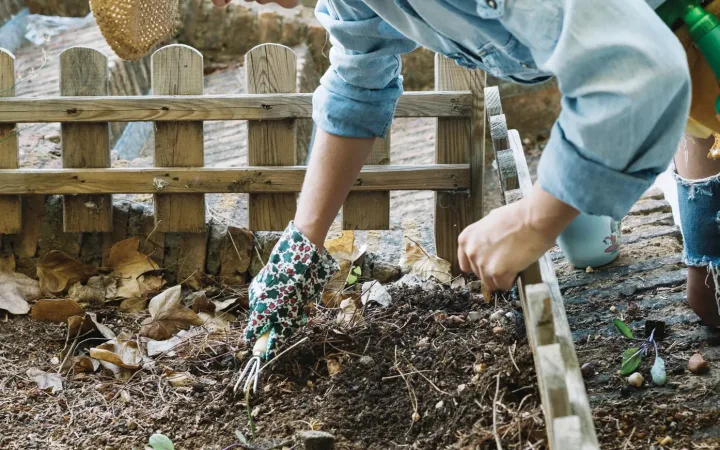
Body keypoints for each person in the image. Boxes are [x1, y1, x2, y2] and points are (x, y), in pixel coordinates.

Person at [211, 0, 701, 357]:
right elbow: (357, 83)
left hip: (699, 34)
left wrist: (534, 220)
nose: (215, 4)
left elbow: (640, 71)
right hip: (685, 75)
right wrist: (303, 241)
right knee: (708, 306)